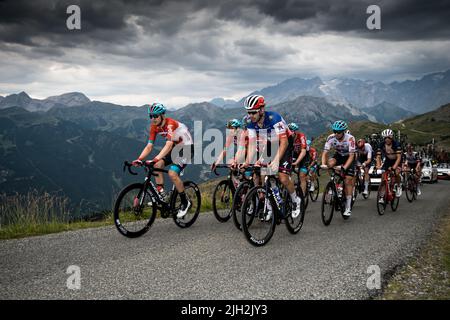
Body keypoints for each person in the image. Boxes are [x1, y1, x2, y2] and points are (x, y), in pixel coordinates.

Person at [240, 95, 302, 218]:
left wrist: (275, 161)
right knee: (263, 173)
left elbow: (284, 142)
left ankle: (295, 200)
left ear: (262, 110)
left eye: (253, 112)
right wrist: (247, 162)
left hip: (285, 143)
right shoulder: (250, 122)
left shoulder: (274, 118)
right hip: (270, 145)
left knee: (283, 177)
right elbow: (252, 144)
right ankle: (269, 206)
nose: (250, 115)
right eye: (248, 112)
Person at [132, 102, 194, 218]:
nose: (153, 119)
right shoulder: (154, 127)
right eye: (151, 116)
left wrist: (155, 159)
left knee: (172, 173)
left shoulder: (170, 124)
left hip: (187, 148)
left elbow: (169, 145)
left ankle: (185, 202)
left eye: (155, 116)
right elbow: (149, 146)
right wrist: (139, 159)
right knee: (157, 166)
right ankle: (162, 195)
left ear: (162, 115)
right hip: (176, 148)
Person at [321, 120, 356, 217]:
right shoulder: (331, 138)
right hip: (339, 155)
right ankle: (333, 184)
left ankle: (348, 207)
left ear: (343, 131)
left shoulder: (350, 138)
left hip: (349, 157)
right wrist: (324, 164)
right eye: (334, 131)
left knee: (348, 180)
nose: (336, 134)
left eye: (338, 132)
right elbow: (325, 152)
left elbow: (352, 156)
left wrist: (344, 167)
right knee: (330, 164)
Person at [375, 129, 402, 201]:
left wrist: (393, 168)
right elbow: (378, 157)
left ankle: (399, 186)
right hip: (388, 160)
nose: (387, 139)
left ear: (392, 137)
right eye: (385, 138)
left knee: (396, 172)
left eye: (389, 138)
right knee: (383, 177)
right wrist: (378, 166)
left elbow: (399, 158)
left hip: (397, 160)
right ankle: (382, 196)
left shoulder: (396, 144)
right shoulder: (381, 144)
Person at [288, 122, 308, 196]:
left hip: (304, 155)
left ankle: (302, 196)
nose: (290, 133)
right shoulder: (288, 137)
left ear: (296, 132)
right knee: (288, 173)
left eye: (292, 131)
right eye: (289, 131)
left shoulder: (301, 136)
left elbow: (303, 151)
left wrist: (296, 162)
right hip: (294, 154)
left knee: (302, 175)